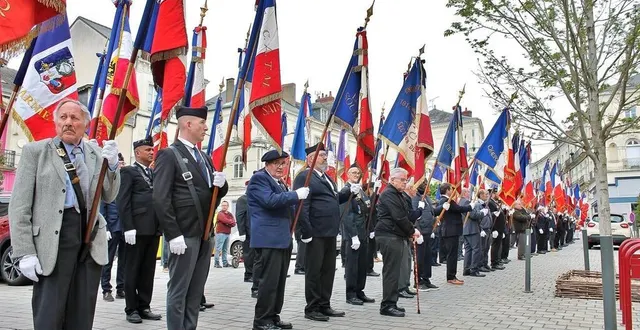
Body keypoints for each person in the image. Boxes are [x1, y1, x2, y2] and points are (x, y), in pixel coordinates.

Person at [9, 99, 121, 329]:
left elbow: (108, 195)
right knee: (49, 315)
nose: (68, 123)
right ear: (56, 122)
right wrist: (24, 252)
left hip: (88, 239)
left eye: (75, 118)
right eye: (63, 117)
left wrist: (112, 167)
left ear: (86, 124)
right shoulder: (36, 152)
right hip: (53, 240)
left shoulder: (95, 153)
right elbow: (19, 206)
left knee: (81, 315)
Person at [154, 106, 228, 330]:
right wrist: (173, 233)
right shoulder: (169, 154)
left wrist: (222, 185)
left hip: (205, 233)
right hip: (184, 234)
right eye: (201, 123)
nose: (206, 127)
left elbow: (210, 193)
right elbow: (160, 198)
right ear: (187, 124)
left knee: (196, 292)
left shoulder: (203, 157)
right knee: (179, 290)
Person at [248, 150, 308, 330]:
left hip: (281, 238)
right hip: (268, 239)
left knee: (279, 282)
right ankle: (261, 321)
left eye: (283, 163)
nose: (281, 167)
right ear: (267, 164)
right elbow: (270, 201)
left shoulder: (279, 182)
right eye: (276, 163)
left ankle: (273, 316)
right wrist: (295, 195)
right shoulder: (259, 179)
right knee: (268, 282)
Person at [293, 143, 353, 322]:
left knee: (328, 271)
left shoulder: (327, 178)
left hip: (329, 232)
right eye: (321, 156)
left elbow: (334, 199)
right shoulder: (305, 176)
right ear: (310, 159)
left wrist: (350, 192)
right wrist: (306, 230)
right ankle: (312, 308)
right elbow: (302, 206)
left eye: (325, 155)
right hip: (315, 232)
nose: (325, 158)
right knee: (314, 271)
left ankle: (324, 304)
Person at [117, 137, 162, 323]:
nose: (152, 152)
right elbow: (123, 201)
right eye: (148, 150)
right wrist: (128, 227)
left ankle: (144, 305)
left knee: (148, 270)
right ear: (137, 153)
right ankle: (131, 308)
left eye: (153, 150)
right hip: (135, 230)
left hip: (152, 229)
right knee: (132, 269)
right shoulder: (128, 171)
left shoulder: (153, 173)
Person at [375, 168, 422, 317]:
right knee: (391, 272)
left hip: (396, 235)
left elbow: (406, 215)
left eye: (406, 180)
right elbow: (399, 217)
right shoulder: (389, 194)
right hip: (389, 235)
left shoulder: (398, 195)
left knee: (394, 271)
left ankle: (392, 303)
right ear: (392, 179)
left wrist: (412, 229)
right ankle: (387, 306)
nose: (405, 182)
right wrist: (411, 231)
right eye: (402, 179)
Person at [341, 165, 375, 306]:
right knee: (352, 266)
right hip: (352, 234)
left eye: (358, 173)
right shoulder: (345, 190)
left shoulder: (360, 190)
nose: (356, 175)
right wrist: (353, 235)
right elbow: (346, 215)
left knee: (362, 265)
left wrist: (371, 228)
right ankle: (351, 294)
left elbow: (367, 210)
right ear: (348, 174)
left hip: (363, 233)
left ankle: (360, 291)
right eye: (353, 172)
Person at [434, 183, 474, 285]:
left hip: (451, 231)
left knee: (452, 254)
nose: (452, 191)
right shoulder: (446, 200)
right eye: (451, 189)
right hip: (450, 231)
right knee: (452, 255)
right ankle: (451, 276)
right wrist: (470, 206)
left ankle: (452, 275)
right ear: (447, 190)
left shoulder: (446, 200)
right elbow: (459, 209)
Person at [100, 153, 126, 301]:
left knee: (124, 259)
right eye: (118, 163)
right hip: (112, 225)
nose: (120, 166)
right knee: (108, 259)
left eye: (121, 163)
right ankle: (106, 289)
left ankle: (121, 288)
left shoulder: (125, 179)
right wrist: (105, 228)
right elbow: (102, 204)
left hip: (124, 226)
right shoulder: (107, 180)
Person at [413, 183, 439, 291]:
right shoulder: (415, 199)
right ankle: (418, 281)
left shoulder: (427, 198)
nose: (426, 187)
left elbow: (432, 212)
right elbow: (415, 216)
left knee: (428, 257)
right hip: (421, 232)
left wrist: (443, 207)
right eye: (424, 185)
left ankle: (426, 278)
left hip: (428, 230)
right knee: (420, 257)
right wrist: (417, 230)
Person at [461, 188, 489, 277]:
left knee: (468, 250)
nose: (469, 193)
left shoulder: (461, 201)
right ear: (464, 193)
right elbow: (473, 215)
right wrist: (482, 213)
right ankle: (474, 270)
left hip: (466, 229)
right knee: (476, 249)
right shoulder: (466, 202)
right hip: (472, 229)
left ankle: (467, 269)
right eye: (468, 191)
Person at [236, 182, 253, 283]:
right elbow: (240, 216)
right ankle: (248, 274)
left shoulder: (253, 199)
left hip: (255, 232)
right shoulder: (243, 199)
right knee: (248, 255)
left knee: (254, 255)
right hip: (247, 232)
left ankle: (253, 273)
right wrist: (242, 232)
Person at [475, 189, 494, 272]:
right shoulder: (478, 204)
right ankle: (480, 265)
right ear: (481, 195)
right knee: (482, 248)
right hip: (483, 229)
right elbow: (477, 218)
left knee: (486, 248)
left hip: (488, 229)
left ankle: (485, 263)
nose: (487, 196)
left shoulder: (485, 204)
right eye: (486, 194)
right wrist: (481, 229)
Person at [365, 181, 381, 277]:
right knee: (369, 249)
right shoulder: (365, 198)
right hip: (369, 227)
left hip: (373, 226)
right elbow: (370, 208)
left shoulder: (368, 198)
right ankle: (368, 268)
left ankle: (369, 268)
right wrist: (375, 192)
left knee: (371, 248)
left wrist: (376, 192)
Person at [214, 201, 236, 268]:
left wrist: (228, 222)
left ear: (228, 206)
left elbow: (234, 223)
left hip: (227, 233)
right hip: (220, 233)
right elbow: (225, 220)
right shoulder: (220, 214)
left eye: (225, 205)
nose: (224, 206)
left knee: (225, 249)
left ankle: (225, 263)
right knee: (218, 248)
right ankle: (216, 263)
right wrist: (229, 222)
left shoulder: (230, 214)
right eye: (223, 205)